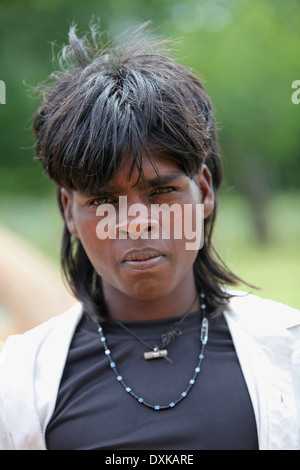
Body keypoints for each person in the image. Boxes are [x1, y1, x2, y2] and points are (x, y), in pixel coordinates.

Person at [0, 22, 299, 451]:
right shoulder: (19, 384)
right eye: (104, 199)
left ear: (205, 191)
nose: (137, 221)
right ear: (69, 210)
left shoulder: (288, 352)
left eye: (161, 192)